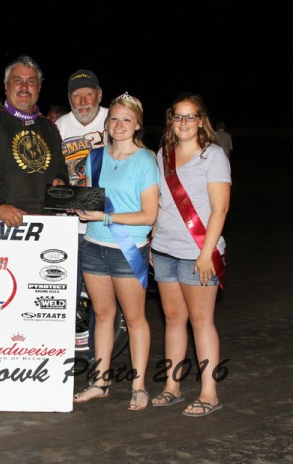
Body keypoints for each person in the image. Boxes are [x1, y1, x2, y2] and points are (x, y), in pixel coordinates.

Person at [72, 92, 159, 411]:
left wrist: (104, 216)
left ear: (137, 125)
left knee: (135, 319)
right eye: (114, 119)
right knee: (103, 315)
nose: (119, 124)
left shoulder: (145, 160)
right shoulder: (93, 157)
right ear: (106, 124)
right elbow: (90, 200)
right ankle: (100, 382)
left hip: (128, 249)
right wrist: (78, 206)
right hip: (93, 246)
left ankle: (139, 387)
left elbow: (149, 215)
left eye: (126, 119)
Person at [150, 93, 231, 417]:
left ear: (201, 121)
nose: (183, 123)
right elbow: (159, 202)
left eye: (190, 116)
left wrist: (206, 253)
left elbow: (220, 208)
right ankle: (173, 385)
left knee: (201, 321)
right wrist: (154, 240)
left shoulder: (213, 156)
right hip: (165, 250)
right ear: (171, 120)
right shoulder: (162, 154)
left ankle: (209, 393)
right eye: (177, 117)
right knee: (173, 319)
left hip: (198, 251)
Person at [0, 55, 69, 227]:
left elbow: (60, 168)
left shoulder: (49, 127)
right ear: (7, 87)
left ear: (39, 87)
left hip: (43, 227)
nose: (24, 87)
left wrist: (61, 180)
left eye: (31, 81)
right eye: (17, 80)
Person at [55, 69, 109, 359]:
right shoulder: (60, 126)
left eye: (89, 93)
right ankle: (73, 357)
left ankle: (99, 358)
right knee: (71, 297)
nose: (83, 100)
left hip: (107, 225)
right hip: (70, 228)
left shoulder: (115, 119)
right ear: (69, 99)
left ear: (100, 94)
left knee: (104, 303)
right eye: (76, 95)